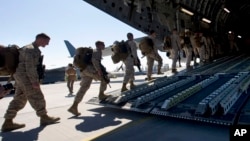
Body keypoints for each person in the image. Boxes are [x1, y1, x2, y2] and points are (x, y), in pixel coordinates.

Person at [1, 33, 60, 132]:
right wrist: (34, 81)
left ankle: (8, 122)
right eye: (47, 42)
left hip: (20, 77)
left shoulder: (26, 48)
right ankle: (44, 117)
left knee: (19, 99)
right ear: (41, 39)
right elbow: (30, 67)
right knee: (37, 96)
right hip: (26, 77)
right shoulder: (32, 49)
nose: (47, 44)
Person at [68, 41, 110, 116]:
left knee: (84, 87)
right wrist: (99, 70)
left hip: (84, 70)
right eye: (103, 44)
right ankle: (101, 94)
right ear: (99, 45)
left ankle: (74, 106)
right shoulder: (97, 51)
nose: (104, 46)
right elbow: (94, 60)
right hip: (90, 69)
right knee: (105, 78)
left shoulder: (92, 51)